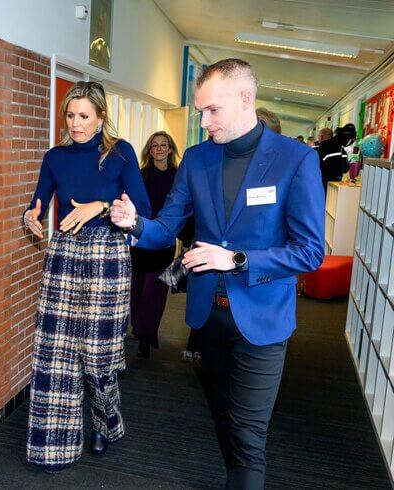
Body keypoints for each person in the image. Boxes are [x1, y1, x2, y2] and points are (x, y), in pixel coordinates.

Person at [110, 58, 324, 489]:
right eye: (200, 112)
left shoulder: (295, 160)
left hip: (262, 322)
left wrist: (238, 259)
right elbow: (167, 227)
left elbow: (310, 251)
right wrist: (136, 223)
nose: (204, 121)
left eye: (213, 111)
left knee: (248, 437)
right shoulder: (196, 159)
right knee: (225, 419)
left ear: (245, 99)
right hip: (208, 318)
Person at [22, 81, 150, 472]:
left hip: (107, 257)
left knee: (97, 357)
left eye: (83, 116)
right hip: (63, 254)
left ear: (100, 117)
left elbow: (142, 208)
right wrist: (30, 217)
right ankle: (53, 449)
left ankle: (106, 421)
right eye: (70, 115)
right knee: (55, 352)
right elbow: (37, 204)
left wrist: (102, 204)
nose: (75, 124)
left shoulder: (121, 153)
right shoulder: (55, 157)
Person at [130, 131, 192, 359]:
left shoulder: (179, 177)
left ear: (170, 149)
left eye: (163, 145)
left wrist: (186, 241)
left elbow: (186, 210)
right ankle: (140, 330)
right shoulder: (141, 175)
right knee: (136, 290)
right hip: (140, 243)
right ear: (150, 150)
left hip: (164, 243)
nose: (159, 149)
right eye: (154, 145)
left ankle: (147, 337)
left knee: (153, 293)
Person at [317, 123, 356, 191]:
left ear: (321, 137)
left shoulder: (323, 146)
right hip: (337, 185)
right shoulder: (342, 149)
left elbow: (317, 165)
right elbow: (346, 169)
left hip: (323, 183)